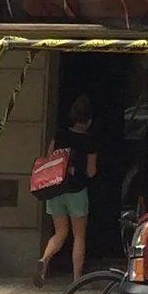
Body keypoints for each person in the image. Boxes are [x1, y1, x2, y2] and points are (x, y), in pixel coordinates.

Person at [36, 98, 98, 284]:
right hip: (77, 191)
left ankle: (43, 261)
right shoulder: (89, 141)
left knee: (60, 233)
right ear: (88, 120)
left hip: (56, 190)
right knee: (79, 236)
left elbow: (48, 159)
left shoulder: (60, 135)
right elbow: (91, 171)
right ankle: (76, 279)